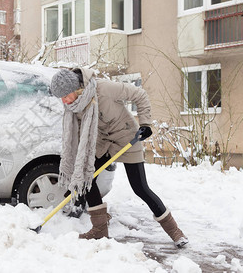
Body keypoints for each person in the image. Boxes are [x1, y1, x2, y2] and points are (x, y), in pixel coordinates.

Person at [50, 67, 188, 248]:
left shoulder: (104, 89)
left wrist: (145, 123)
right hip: (100, 142)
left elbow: (140, 94)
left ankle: (175, 232)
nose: (64, 101)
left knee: (140, 188)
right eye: (60, 97)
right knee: (86, 178)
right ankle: (99, 230)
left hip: (126, 138)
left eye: (65, 95)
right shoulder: (75, 105)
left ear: (77, 89)